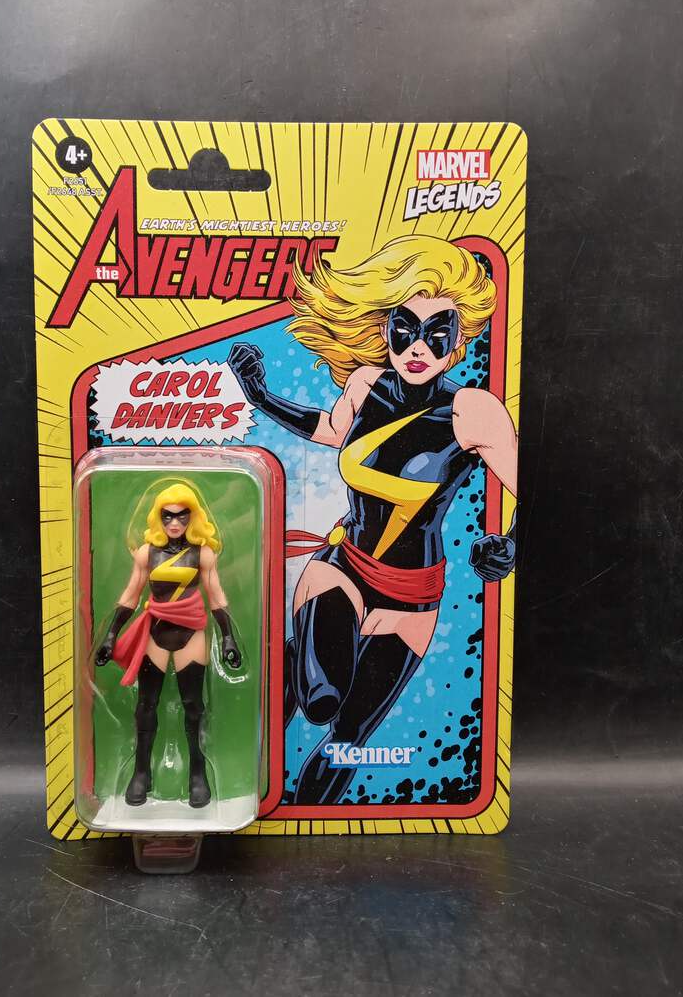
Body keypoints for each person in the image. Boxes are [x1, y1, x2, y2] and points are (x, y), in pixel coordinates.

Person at [228, 235, 517, 804]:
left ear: (459, 337)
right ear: (385, 329)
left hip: (414, 596)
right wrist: (259, 395)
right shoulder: (366, 383)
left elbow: (527, 488)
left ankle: (303, 816)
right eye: (405, 328)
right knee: (321, 695)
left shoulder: (475, 413)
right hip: (344, 565)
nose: (419, 347)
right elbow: (332, 430)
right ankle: (239, 770)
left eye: (437, 332)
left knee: (349, 737)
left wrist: (506, 545)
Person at [95, 483, 241, 808]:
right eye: (168, 516)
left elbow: (216, 596)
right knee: (146, 704)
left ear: (193, 517)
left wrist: (228, 636)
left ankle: (198, 774)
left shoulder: (203, 554)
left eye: (181, 516)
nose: (175, 523)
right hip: (156, 632)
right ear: (158, 517)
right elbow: (131, 594)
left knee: (194, 706)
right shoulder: (146, 553)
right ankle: (141, 773)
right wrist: (111, 634)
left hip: (192, 632)